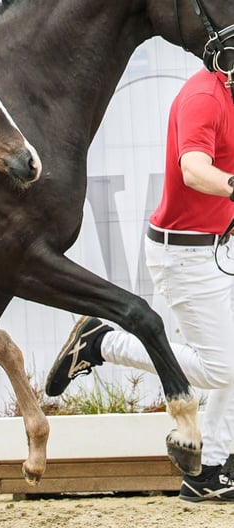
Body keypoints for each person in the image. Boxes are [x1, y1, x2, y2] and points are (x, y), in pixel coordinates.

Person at [46, 63, 234, 503]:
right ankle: (102, 343)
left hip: (219, 246)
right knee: (225, 367)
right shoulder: (205, 97)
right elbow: (194, 170)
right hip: (185, 254)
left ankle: (209, 471)